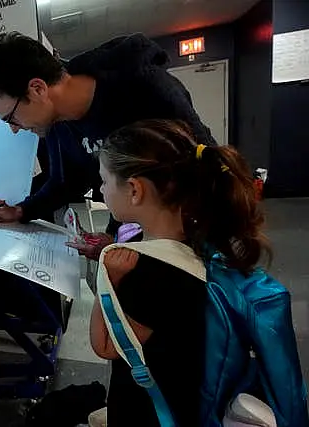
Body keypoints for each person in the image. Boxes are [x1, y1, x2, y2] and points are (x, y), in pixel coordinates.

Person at [0, 32, 215, 258]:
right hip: (149, 242)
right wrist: (20, 211)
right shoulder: (57, 123)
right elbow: (65, 182)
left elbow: (208, 163)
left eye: (11, 118)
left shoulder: (142, 88)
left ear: (37, 89)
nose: (14, 129)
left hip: (199, 235)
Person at [90, 119, 268, 426]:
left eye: (104, 181)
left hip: (154, 409)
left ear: (134, 189)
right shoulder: (201, 241)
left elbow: (105, 345)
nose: (101, 189)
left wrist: (110, 277)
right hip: (191, 389)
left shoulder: (148, 273)